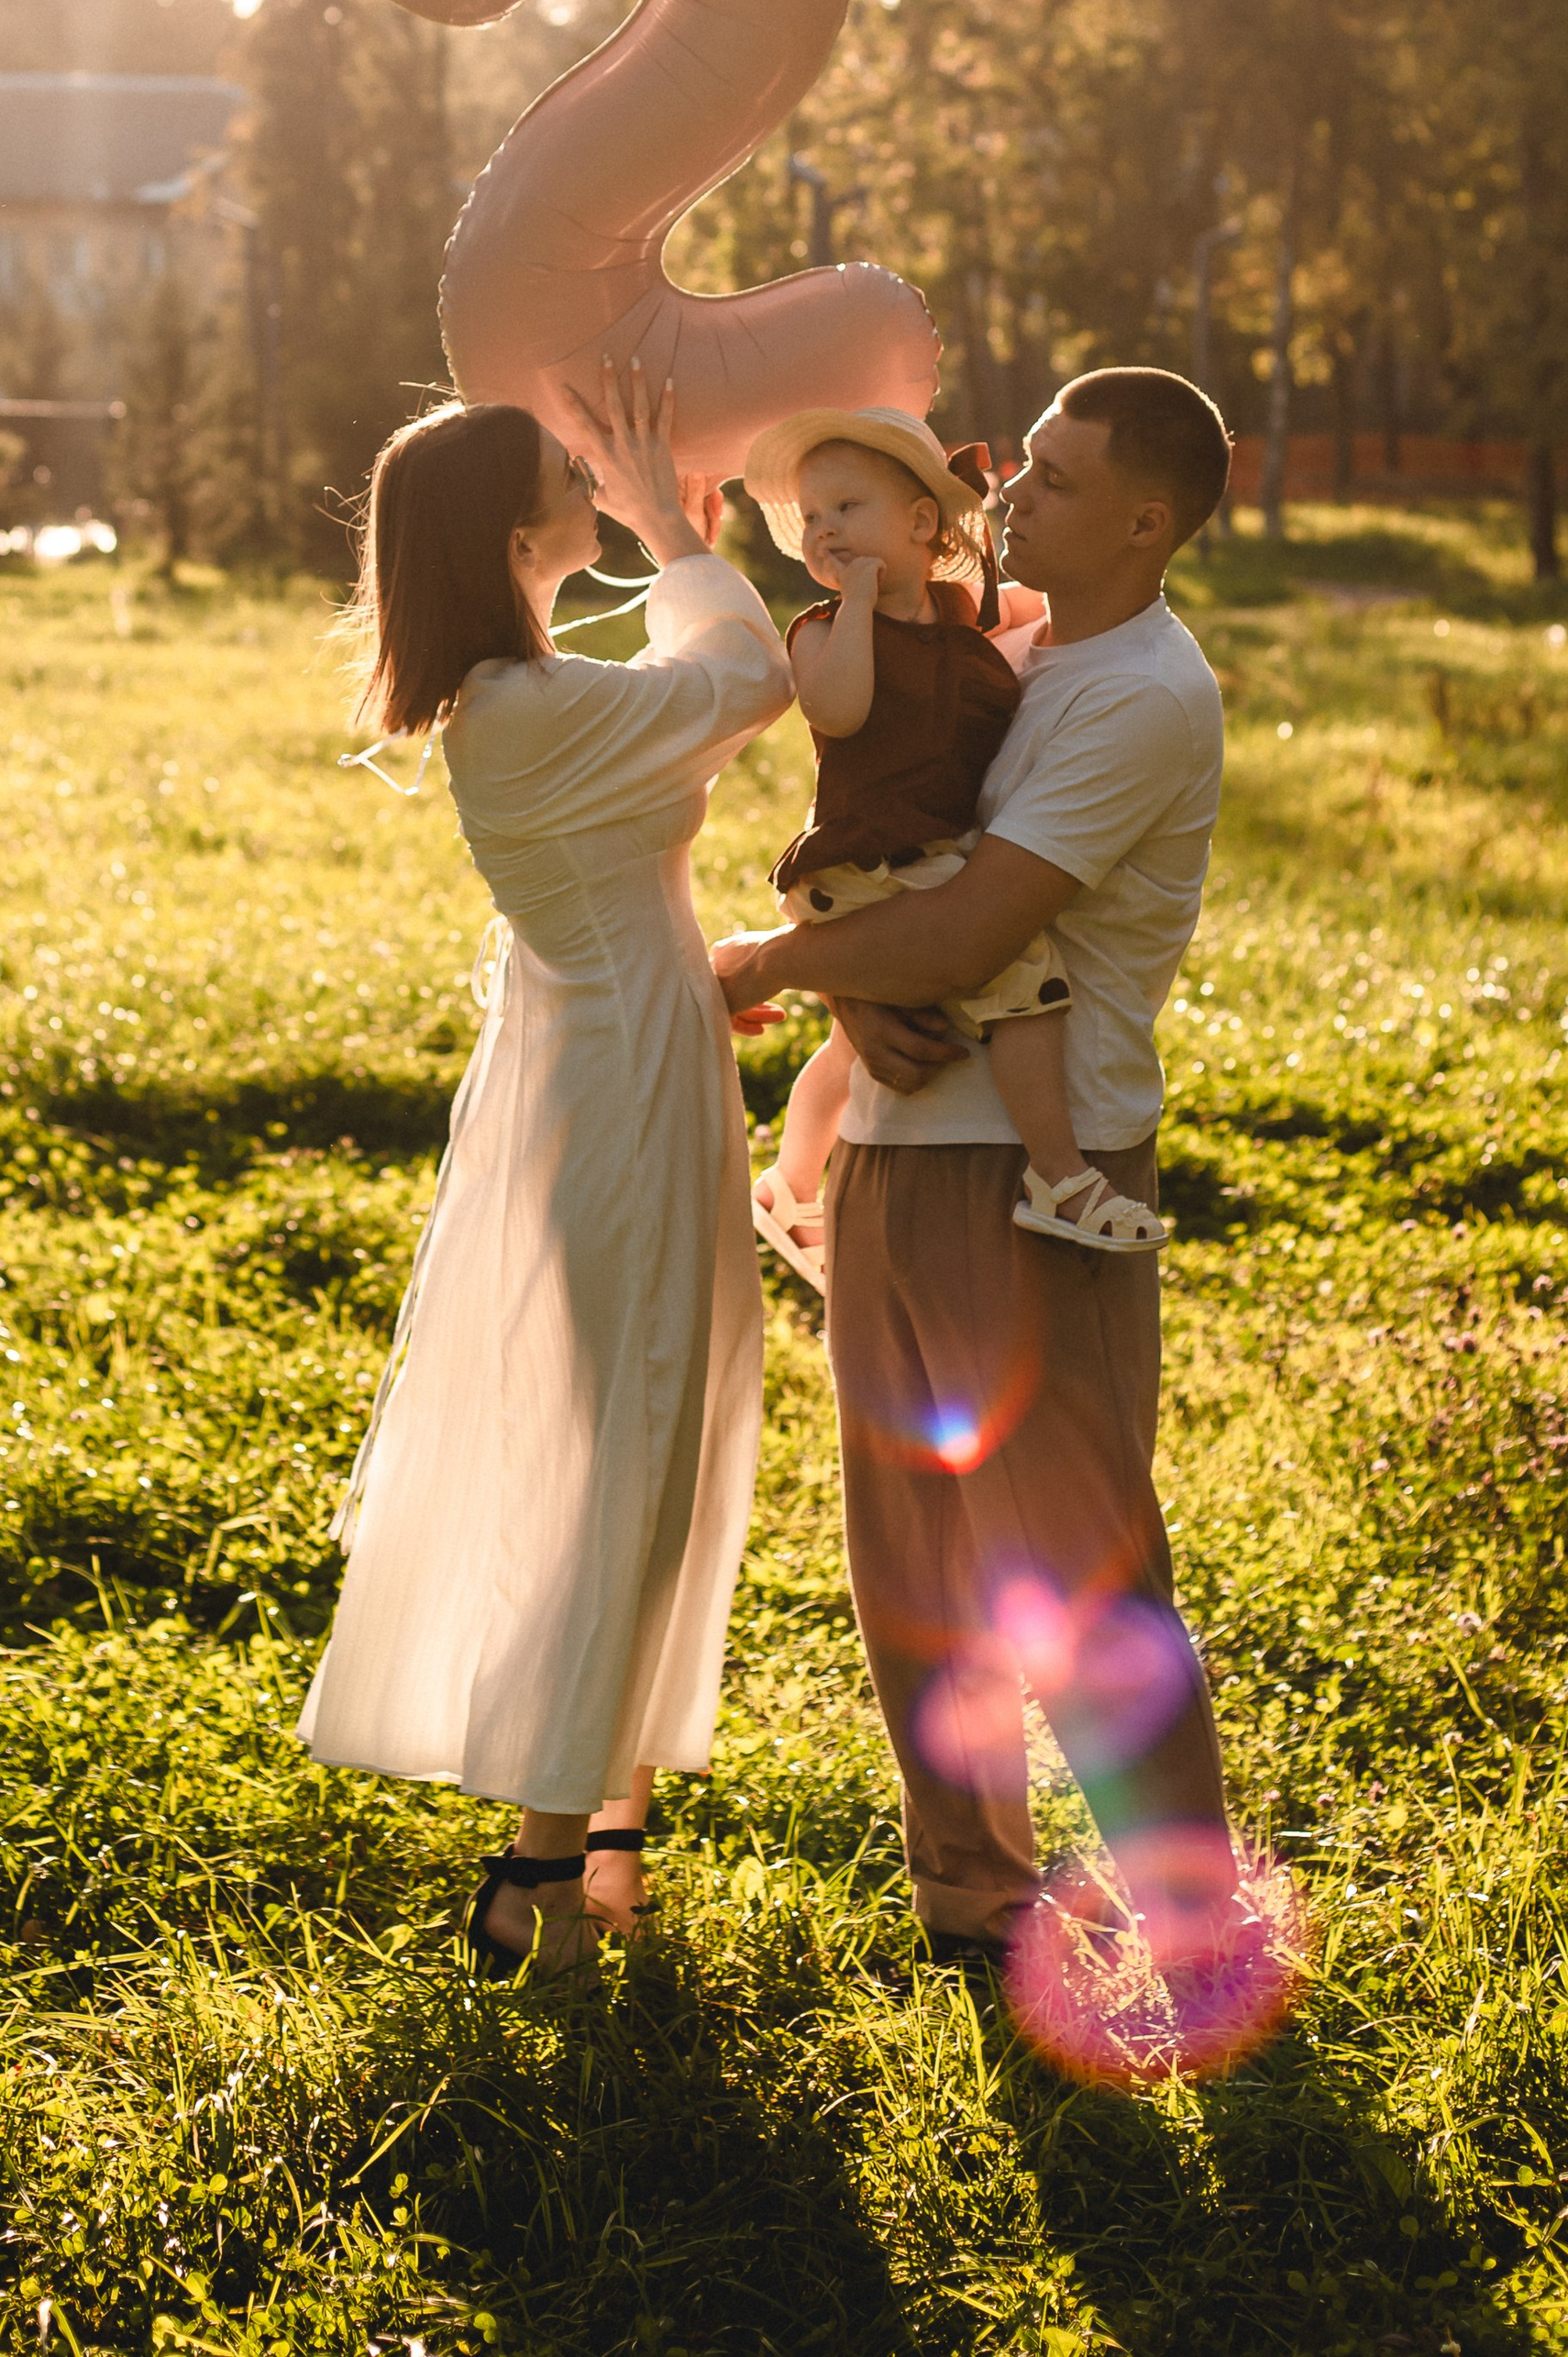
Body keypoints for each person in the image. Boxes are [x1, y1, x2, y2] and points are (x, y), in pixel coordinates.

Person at [713, 368, 1237, 1967]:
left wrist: (766, 961)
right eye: (1023, 474)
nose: (1017, 499)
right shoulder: (1008, 650)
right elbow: (896, 841)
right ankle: (973, 1900)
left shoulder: (1144, 690)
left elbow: (977, 921)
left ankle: (1195, 1926)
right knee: (915, 1563)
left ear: (1148, 521)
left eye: (1061, 483)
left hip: (1028, 1169)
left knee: (1078, 1565)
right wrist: (853, 985)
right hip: (890, 1146)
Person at [299, 361, 791, 1979]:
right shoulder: (526, 714)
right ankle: (537, 1867)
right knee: (629, 1436)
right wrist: (675, 532)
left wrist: (670, 552)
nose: (595, 480)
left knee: (655, 1434)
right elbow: (744, 679)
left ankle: (609, 1828)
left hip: (633, 1061)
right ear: (520, 528)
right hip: (622, 1092)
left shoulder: (530, 698)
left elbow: (687, 685)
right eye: (573, 475)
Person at [739, 407, 1166, 1292]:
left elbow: (1060, 620)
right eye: (812, 518)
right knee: (1021, 983)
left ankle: (785, 1183)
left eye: (845, 508)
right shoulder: (822, 629)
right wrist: (856, 599)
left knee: (855, 1046)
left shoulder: (963, 620)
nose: (823, 529)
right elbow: (843, 711)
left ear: (922, 523)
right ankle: (1059, 1175)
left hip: (911, 855)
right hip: (863, 855)